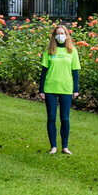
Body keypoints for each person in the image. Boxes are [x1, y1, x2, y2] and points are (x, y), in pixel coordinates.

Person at [38, 23, 80, 155]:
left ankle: (65, 146)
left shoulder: (72, 51)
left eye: (63, 33)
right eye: (58, 34)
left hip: (66, 87)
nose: (60, 36)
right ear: (54, 36)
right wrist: (41, 90)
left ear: (67, 36)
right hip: (50, 87)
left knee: (65, 118)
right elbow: (44, 71)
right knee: (51, 117)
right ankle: (53, 146)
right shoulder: (49, 52)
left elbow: (75, 72)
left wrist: (76, 89)